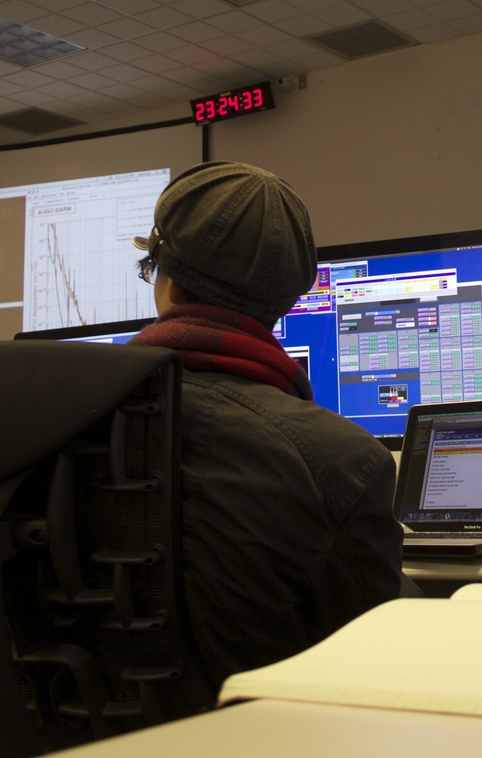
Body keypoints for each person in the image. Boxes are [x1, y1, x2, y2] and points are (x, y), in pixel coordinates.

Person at [126, 161, 403, 704]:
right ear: (284, 305)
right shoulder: (344, 463)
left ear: (169, 283)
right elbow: (370, 660)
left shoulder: (32, 424)